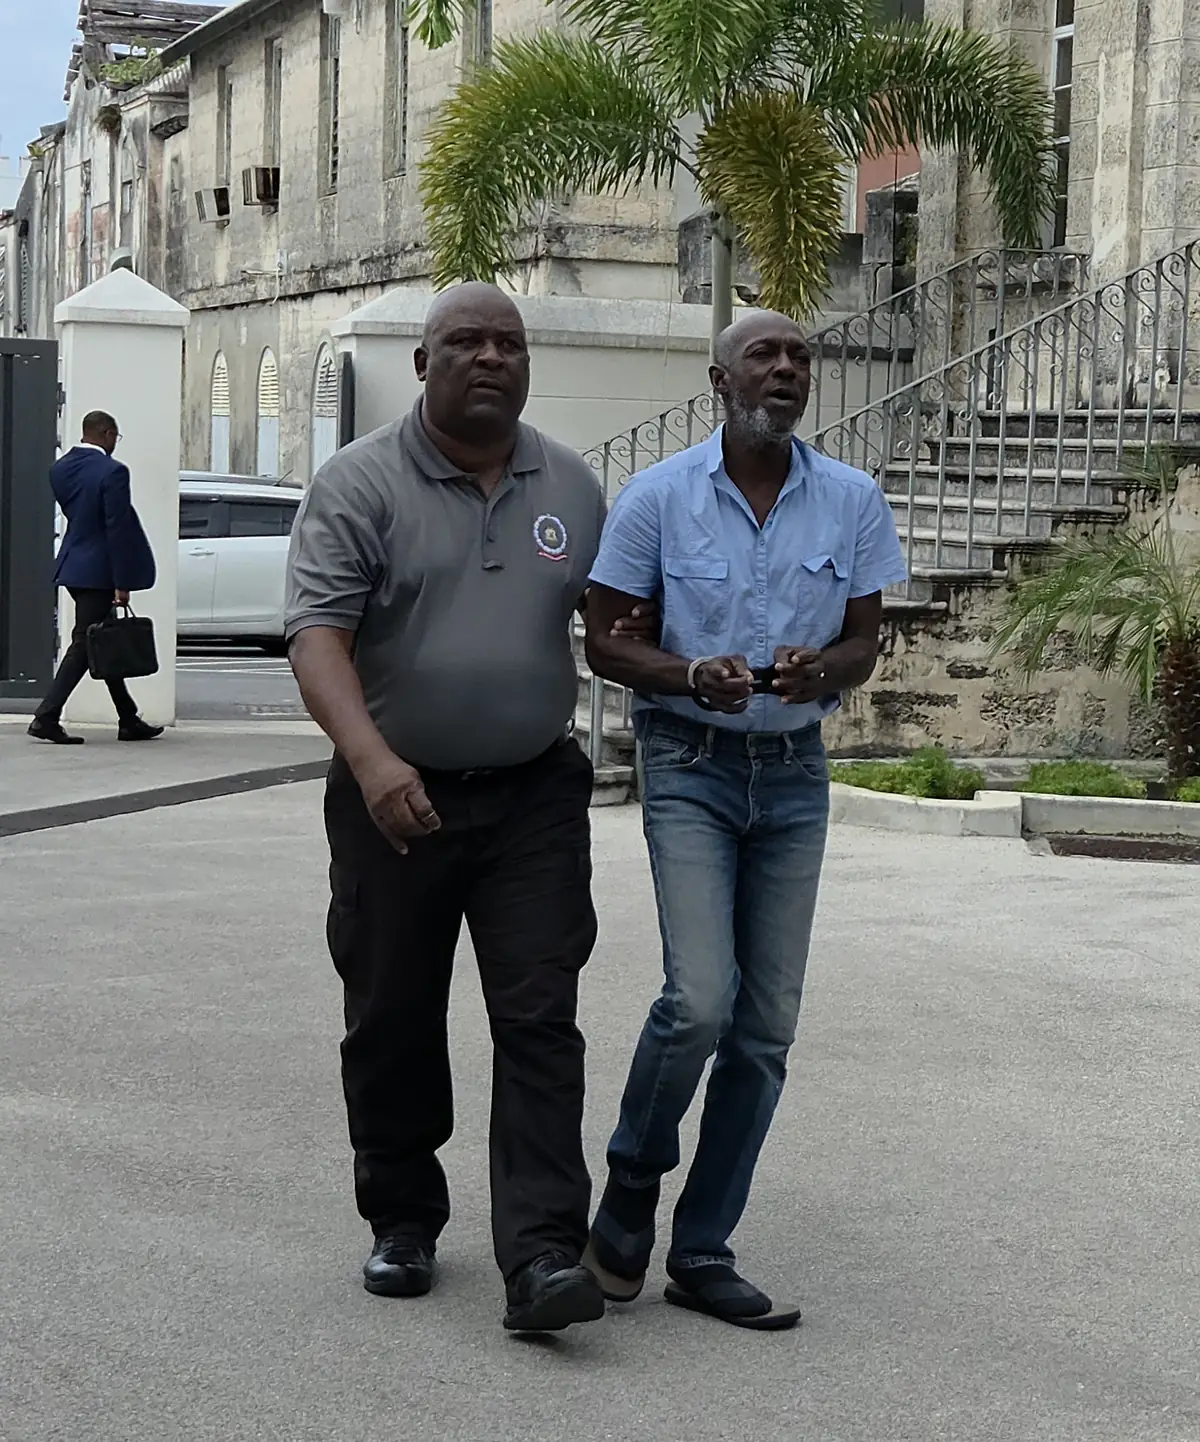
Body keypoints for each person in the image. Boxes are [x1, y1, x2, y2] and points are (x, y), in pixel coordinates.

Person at [285, 282, 655, 1334]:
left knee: (540, 1018)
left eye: (509, 343)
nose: (491, 357)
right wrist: (371, 762)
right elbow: (317, 636)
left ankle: (541, 1254)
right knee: (392, 1012)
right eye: (466, 341)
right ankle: (402, 1216)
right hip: (392, 796)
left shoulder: (571, 485)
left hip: (534, 795)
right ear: (423, 364)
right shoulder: (359, 483)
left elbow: (615, 626)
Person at [582, 311, 908, 1331]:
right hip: (690, 763)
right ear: (720, 380)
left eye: (801, 356)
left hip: (795, 772)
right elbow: (603, 641)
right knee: (701, 1000)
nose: (787, 368)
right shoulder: (658, 498)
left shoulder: (851, 498)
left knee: (765, 1026)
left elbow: (864, 642)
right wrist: (687, 673)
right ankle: (630, 1188)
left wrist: (824, 668)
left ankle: (703, 1247)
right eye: (765, 354)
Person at [28, 411, 162, 745]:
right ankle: (46, 717)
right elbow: (116, 528)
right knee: (84, 643)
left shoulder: (60, 469)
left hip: (73, 564)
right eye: (116, 436)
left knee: (103, 638)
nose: (116, 443)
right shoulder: (113, 471)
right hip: (99, 571)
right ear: (106, 433)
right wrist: (122, 581)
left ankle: (128, 718)